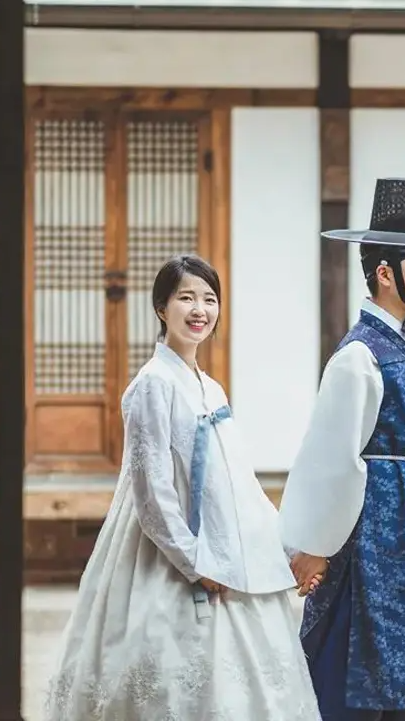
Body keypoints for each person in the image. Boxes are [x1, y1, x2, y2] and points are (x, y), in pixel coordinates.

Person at [43, 254, 321, 721]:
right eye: (186, 298)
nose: (200, 310)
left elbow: (237, 480)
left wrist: (283, 545)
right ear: (161, 308)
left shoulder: (211, 388)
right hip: (169, 551)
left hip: (221, 541)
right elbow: (151, 490)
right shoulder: (153, 384)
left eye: (209, 300)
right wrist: (195, 563)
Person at [279, 178, 405, 721]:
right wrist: (314, 545)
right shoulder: (357, 357)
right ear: (385, 272)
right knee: (361, 670)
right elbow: (331, 456)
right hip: (374, 538)